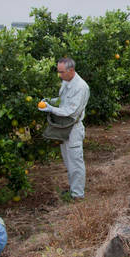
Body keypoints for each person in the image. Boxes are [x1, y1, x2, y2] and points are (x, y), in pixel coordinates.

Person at [39, 57, 90, 199]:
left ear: (71, 70)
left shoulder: (80, 87)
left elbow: (70, 111)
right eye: (59, 72)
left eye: (61, 72)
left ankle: (78, 195)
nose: (59, 75)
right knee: (68, 160)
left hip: (73, 127)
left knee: (75, 162)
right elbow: (62, 101)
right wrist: (50, 101)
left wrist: (50, 109)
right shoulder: (66, 82)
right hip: (64, 126)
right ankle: (73, 190)